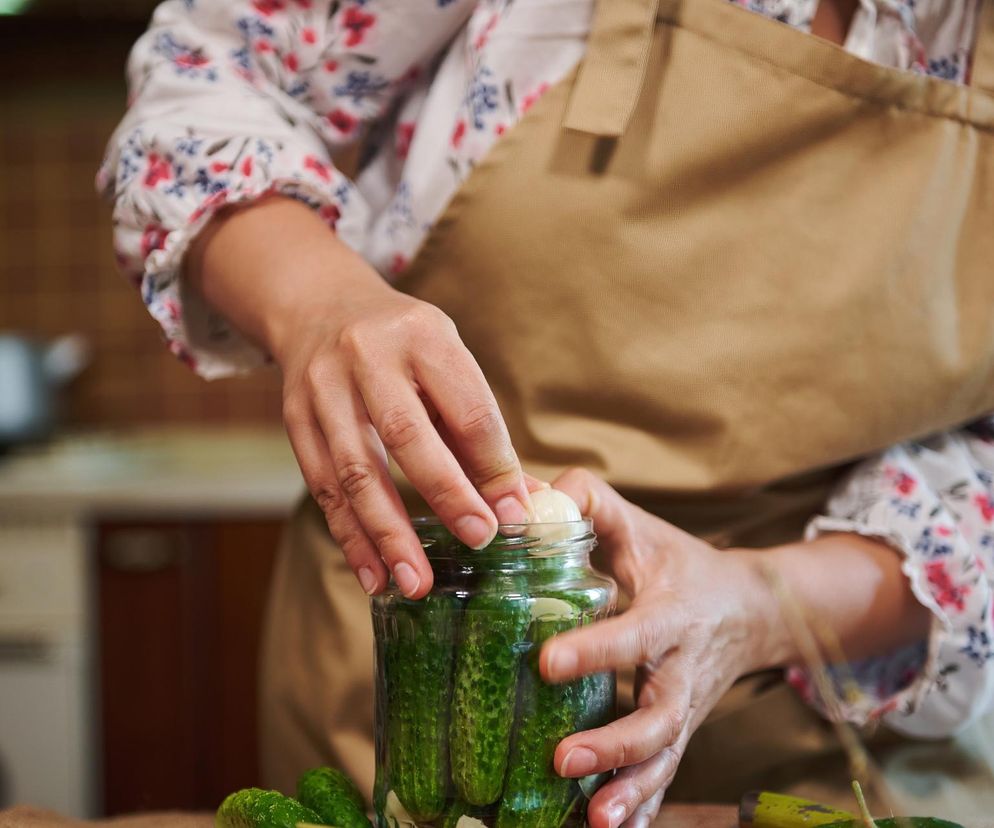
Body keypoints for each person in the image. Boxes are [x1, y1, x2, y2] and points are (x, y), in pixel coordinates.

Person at [99, 0, 994, 824]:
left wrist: (758, 604)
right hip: (423, 644)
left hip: (814, 696)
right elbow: (207, 71)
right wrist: (318, 301)